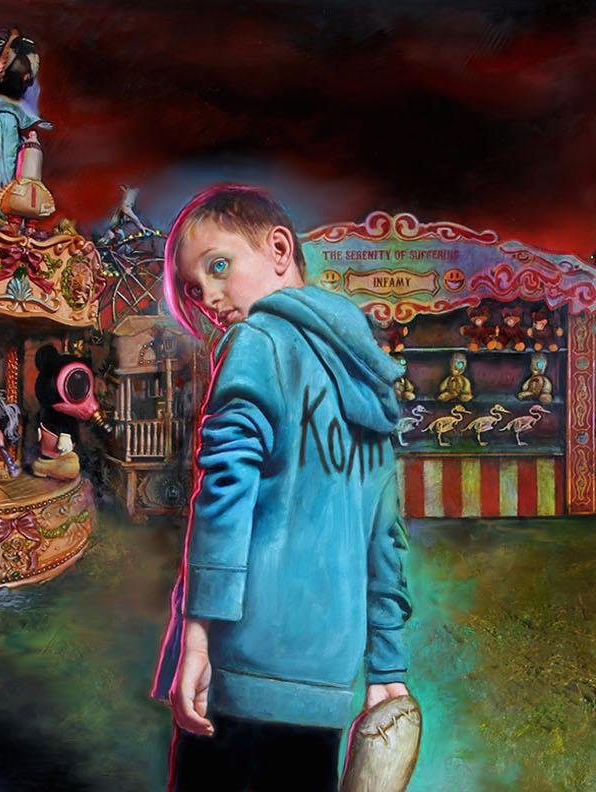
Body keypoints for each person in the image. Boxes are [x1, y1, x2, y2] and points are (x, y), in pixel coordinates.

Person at [151, 185, 413, 791]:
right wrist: (387, 664)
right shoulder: (368, 374)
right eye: (193, 289)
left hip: (240, 664)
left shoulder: (257, 342)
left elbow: (224, 494)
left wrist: (197, 638)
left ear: (278, 249)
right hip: (327, 680)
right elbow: (385, 536)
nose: (209, 298)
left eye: (218, 266)